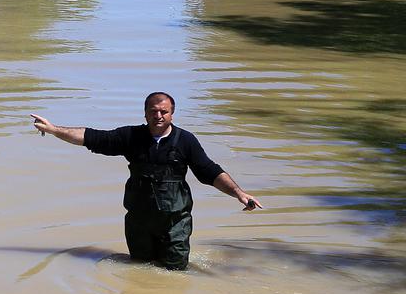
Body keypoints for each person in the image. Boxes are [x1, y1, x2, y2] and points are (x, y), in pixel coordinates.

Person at [30, 92, 261, 270]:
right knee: (141, 270)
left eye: (164, 112)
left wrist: (239, 194)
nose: (158, 116)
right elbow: (92, 137)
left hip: (175, 223)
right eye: (153, 111)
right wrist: (53, 129)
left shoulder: (185, 141)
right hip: (139, 221)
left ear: (172, 114)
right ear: (145, 113)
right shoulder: (131, 137)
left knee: (175, 273)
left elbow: (209, 171)